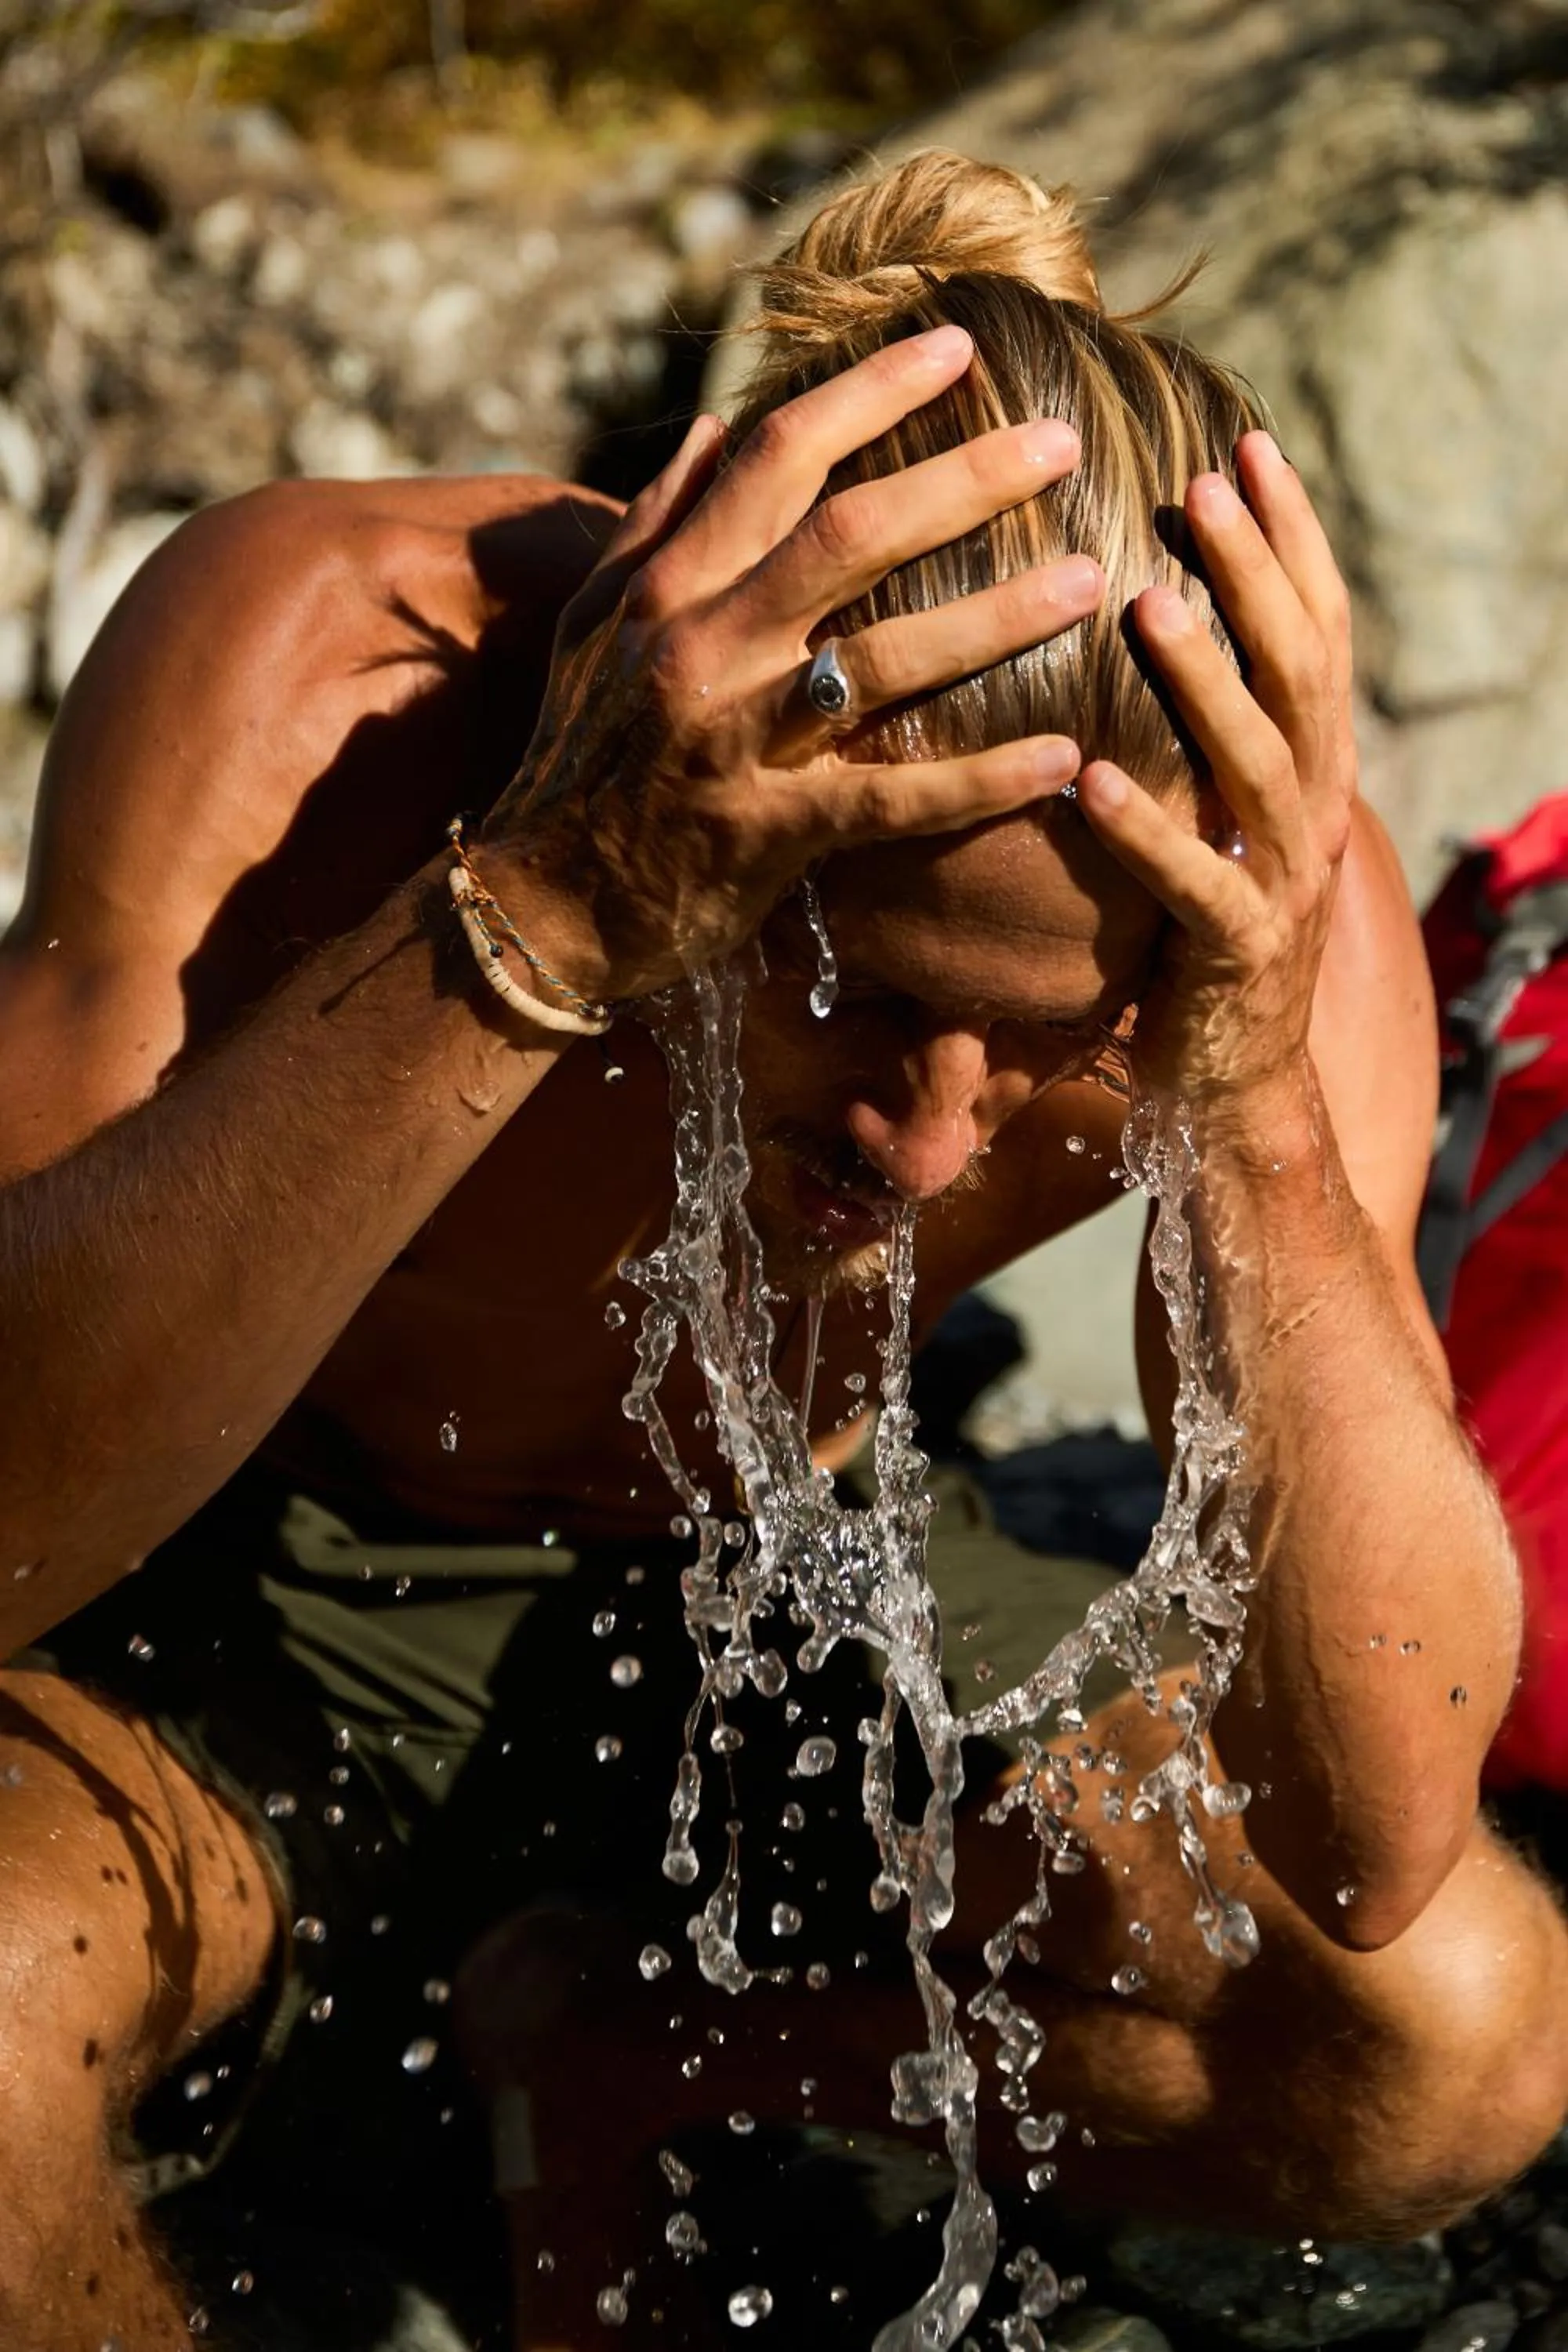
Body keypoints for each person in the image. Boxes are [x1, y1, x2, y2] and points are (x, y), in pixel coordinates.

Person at [0, 148, 1562, 2352]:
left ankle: (616, 2060)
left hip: (790, 1583)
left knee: (1461, 2030)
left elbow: (1380, 1829)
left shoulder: (1237, 924)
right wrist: (549, 906)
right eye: (841, 976)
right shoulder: (348, 675)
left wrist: (1256, 1099)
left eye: (1036, 1056)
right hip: (249, 1610)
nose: (929, 1144)